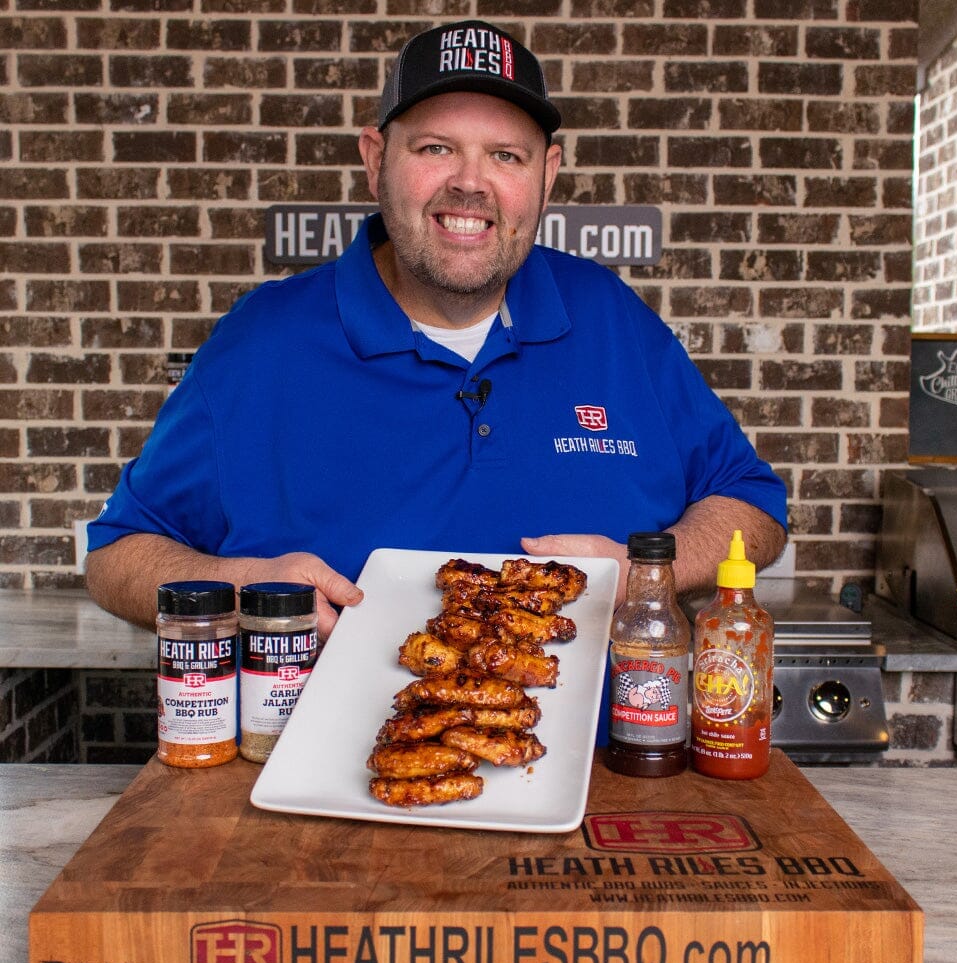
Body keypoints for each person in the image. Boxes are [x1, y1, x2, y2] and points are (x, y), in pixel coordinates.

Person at [86, 19, 787, 651]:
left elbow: (751, 507)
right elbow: (117, 556)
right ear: (374, 159)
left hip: (608, 780)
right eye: (435, 147)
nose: (470, 184)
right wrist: (242, 590)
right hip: (312, 785)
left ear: (548, 175)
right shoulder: (259, 347)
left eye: (506, 157)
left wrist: (645, 572)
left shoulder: (613, 321)